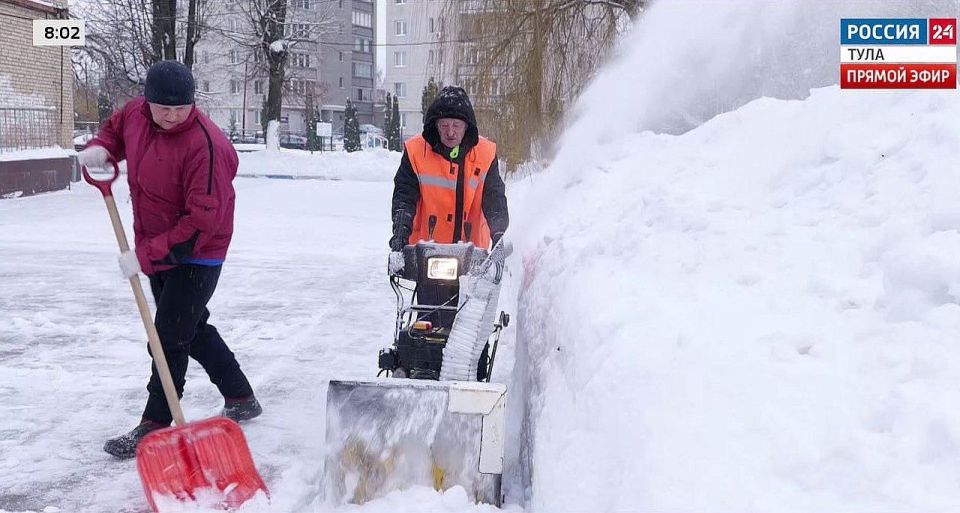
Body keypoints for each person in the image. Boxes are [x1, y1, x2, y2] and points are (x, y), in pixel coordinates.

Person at [77, 60, 262, 459]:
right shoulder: (135, 115)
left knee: (168, 335)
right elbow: (114, 133)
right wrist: (101, 151)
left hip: (199, 251)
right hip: (156, 240)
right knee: (190, 328)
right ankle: (241, 395)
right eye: (164, 108)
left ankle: (155, 422)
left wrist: (143, 258)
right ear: (148, 101)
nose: (172, 116)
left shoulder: (205, 145)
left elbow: (201, 224)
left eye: (181, 109)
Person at [388, 86, 509, 333]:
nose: (450, 132)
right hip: (427, 254)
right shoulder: (416, 152)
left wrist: (499, 235)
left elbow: (494, 197)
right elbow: (404, 196)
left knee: (467, 330)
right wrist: (400, 235)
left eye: (456, 125)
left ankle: (467, 366)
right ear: (435, 125)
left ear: (467, 126)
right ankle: (419, 365)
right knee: (429, 324)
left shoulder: (484, 154)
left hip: (471, 256)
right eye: (444, 126)